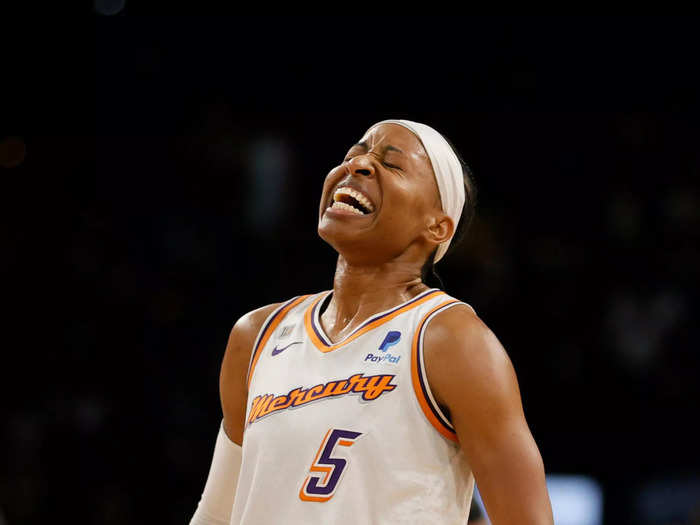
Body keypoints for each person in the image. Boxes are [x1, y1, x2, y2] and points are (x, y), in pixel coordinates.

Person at [189, 119, 554, 524]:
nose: (358, 165)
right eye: (353, 155)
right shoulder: (256, 335)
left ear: (437, 226)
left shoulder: (450, 339)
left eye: (392, 164)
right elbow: (215, 516)